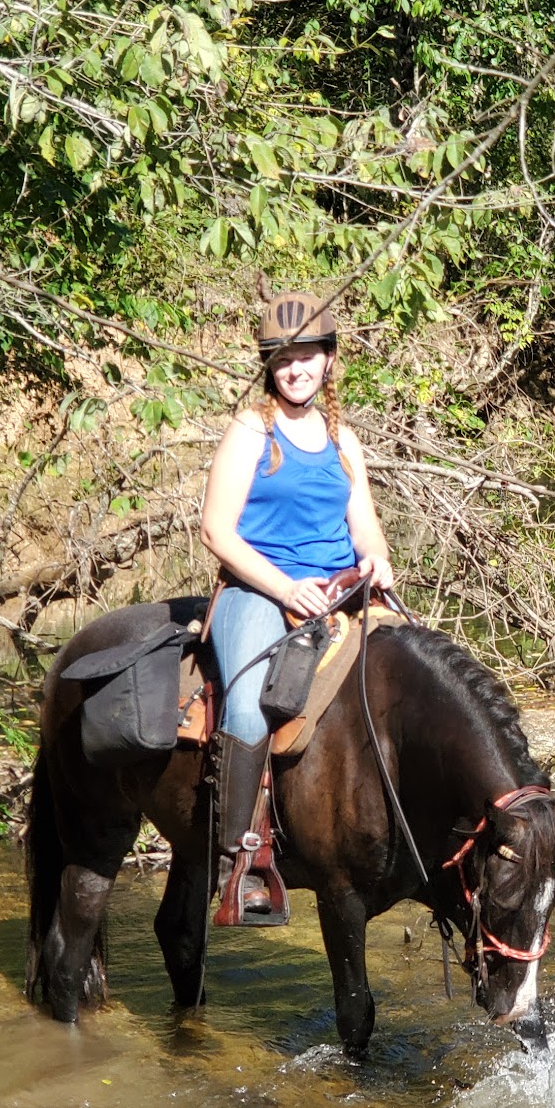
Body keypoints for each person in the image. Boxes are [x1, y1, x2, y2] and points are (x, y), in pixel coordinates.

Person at [199, 290, 394, 922]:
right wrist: (284, 588)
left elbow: (364, 527)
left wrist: (377, 562)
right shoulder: (253, 428)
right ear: (270, 365)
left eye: (308, 355)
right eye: (284, 358)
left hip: (338, 594)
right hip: (259, 591)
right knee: (252, 704)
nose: (296, 368)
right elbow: (216, 530)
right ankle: (240, 863)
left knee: (421, 673)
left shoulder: (344, 439)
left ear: (329, 361)